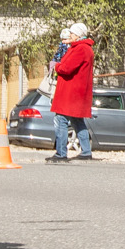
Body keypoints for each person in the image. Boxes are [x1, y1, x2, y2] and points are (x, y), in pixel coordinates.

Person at [49, 22, 95, 164]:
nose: (70, 35)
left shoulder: (80, 49)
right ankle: (86, 151)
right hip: (77, 91)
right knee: (77, 120)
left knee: (61, 119)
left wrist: (56, 66)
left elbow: (67, 68)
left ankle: (61, 153)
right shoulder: (83, 48)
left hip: (71, 91)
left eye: (73, 33)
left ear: (79, 35)